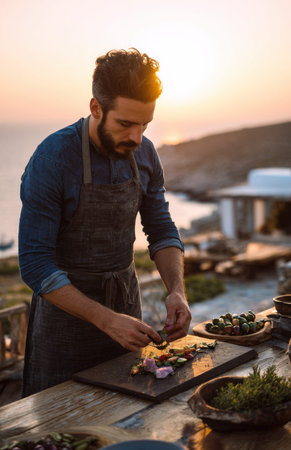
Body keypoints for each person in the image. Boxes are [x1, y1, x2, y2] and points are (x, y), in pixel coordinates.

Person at [19, 48, 191, 397]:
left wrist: (177, 291)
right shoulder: (53, 158)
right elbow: (35, 264)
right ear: (96, 108)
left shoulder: (145, 154)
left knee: (129, 409)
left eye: (144, 125)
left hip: (128, 306)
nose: (136, 138)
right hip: (64, 320)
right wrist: (104, 319)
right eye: (125, 124)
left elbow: (160, 228)